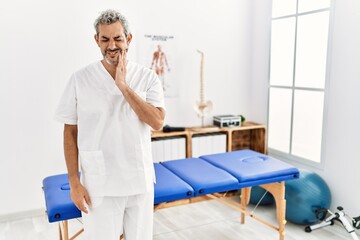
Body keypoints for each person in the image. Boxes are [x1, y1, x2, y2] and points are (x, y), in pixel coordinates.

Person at [54, 9, 166, 240]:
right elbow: (70, 132)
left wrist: (123, 86)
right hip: (99, 185)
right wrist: (74, 182)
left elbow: (157, 121)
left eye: (118, 38)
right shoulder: (80, 79)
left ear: (129, 39)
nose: (111, 45)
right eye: (105, 39)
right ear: (96, 40)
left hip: (139, 181)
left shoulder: (147, 77)